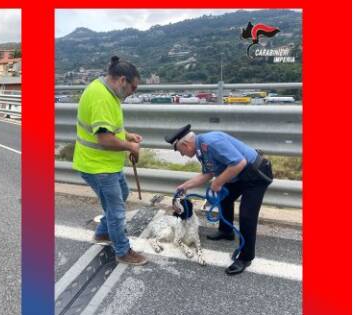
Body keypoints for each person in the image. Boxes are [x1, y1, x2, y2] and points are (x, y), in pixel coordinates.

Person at [165, 124, 273, 275]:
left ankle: (246, 257)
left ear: (185, 144)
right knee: (225, 198)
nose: (182, 155)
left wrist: (218, 182)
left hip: (256, 174)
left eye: (180, 151)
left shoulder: (212, 142)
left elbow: (239, 163)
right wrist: (184, 186)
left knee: (247, 216)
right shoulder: (201, 150)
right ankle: (226, 231)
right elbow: (208, 174)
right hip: (240, 174)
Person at [72, 56, 148, 266]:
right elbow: (104, 138)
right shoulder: (102, 97)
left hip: (106, 164)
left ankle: (103, 232)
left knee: (122, 194)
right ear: (122, 80)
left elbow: (109, 128)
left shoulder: (107, 91)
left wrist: (127, 135)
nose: (133, 93)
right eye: (133, 88)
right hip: (98, 166)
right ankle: (123, 251)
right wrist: (131, 147)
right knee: (116, 210)